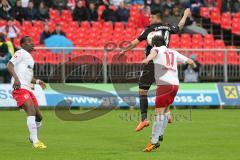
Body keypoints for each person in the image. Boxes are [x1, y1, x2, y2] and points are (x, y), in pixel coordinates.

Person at [119, 8, 191, 132]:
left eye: (151, 17)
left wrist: (124, 50)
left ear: (157, 17)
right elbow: (179, 26)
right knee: (163, 89)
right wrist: (185, 15)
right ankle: (167, 113)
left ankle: (143, 119)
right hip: (164, 64)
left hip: (152, 62)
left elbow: (135, 42)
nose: (149, 19)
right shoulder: (168, 27)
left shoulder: (150, 29)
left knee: (142, 90)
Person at [142, 35, 196, 152]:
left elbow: (153, 53)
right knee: (166, 110)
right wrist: (193, 64)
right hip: (175, 85)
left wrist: (147, 59)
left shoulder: (155, 49)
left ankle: (154, 141)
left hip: (164, 85)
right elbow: (189, 60)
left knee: (158, 112)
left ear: (154, 43)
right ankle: (160, 134)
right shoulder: (173, 51)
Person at [7, 36, 47, 149]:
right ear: (23, 45)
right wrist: (16, 79)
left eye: (32, 41)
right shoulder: (21, 52)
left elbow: (29, 77)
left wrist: (38, 81)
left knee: (39, 117)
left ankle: (31, 137)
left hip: (28, 88)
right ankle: (35, 141)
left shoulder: (29, 58)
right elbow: (9, 65)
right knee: (30, 110)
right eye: (29, 41)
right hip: (19, 87)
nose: (32, 43)